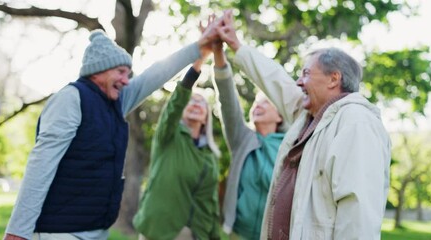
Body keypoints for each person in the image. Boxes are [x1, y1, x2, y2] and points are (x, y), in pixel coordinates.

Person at [3, 24, 219, 240]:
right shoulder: (71, 98)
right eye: (121, 72)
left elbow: (155, 75)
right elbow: (41, 163)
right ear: (99, 70)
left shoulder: (116, 101)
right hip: (61, 232)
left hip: (95, 230)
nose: (126, 80)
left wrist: (198, 48)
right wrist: (18, 230)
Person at [215, 10, 391, 239]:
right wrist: (237, 46)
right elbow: (276, 80)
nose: (298, 82)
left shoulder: (356, 123)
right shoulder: (309, 117)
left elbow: (358, 214)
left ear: (334, 79)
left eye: (306, 73)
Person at [132, 55, 221, 239]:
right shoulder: (169, 136)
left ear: (206, 117)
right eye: (192, 101)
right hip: (156, 229)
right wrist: (197, 65)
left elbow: (209, 201)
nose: (196, 104)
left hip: (190, 234)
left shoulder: (210, 155)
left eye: (201, 102)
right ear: (182, 109)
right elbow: (174, 105)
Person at [211, 40, 285, 239]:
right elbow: (227, 101)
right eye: (255, 103)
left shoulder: (291, 144)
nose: (257, 106)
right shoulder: (242, 139)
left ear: (280, 116)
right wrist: (219, 55)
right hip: (239, 233)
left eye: (266, 103)